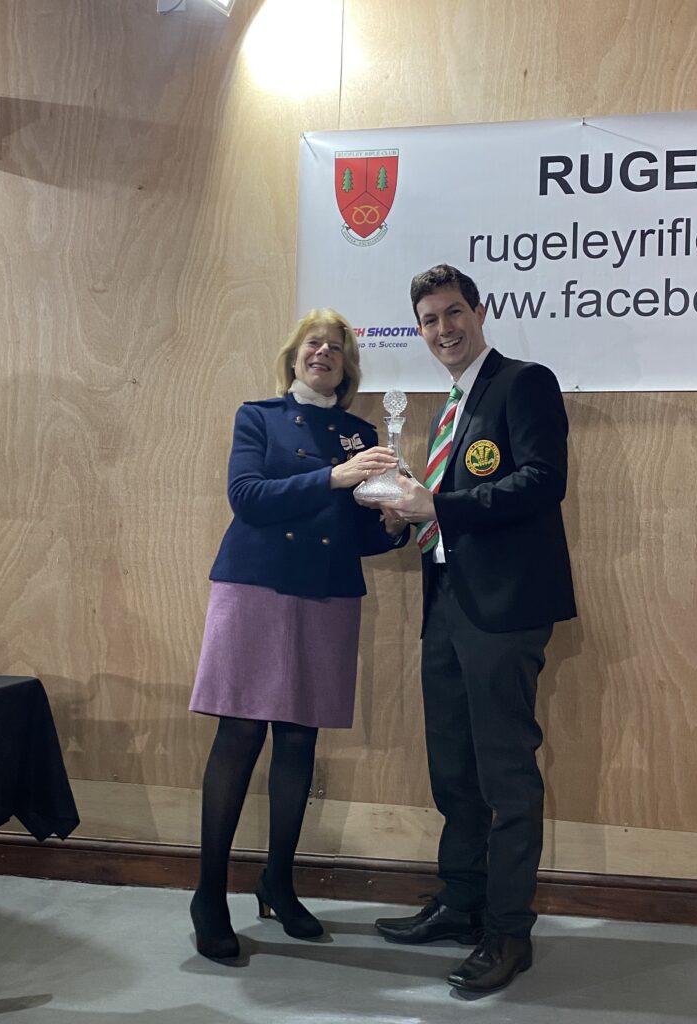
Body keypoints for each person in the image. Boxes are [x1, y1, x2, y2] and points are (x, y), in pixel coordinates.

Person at [372, 264, 576, 995]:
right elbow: (447, 502)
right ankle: (461, 902)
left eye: (453, 313)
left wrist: (443, 508)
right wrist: (409, 513)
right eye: (429, 320)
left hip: (506, 611)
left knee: (506, 777)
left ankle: (507, 930)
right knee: (452, 768)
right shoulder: (448, 408)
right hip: (449, 608)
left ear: (481, 313)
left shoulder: (524, 382)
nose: (443, 330)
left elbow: (542, 480)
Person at [189, 308, 407, 961]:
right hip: (256, 585)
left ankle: (277, 883)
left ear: (347, 364)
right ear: (293, 354)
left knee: (299, 740)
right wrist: (335, 478)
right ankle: (208, 895)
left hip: (327, 592)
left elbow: (359, 532)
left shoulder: (362, 432)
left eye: (336, 346)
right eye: (315, 342)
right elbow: (247, 497)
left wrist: (392, 524)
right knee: (239, 734)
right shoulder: (256, 416)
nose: (324, 352)